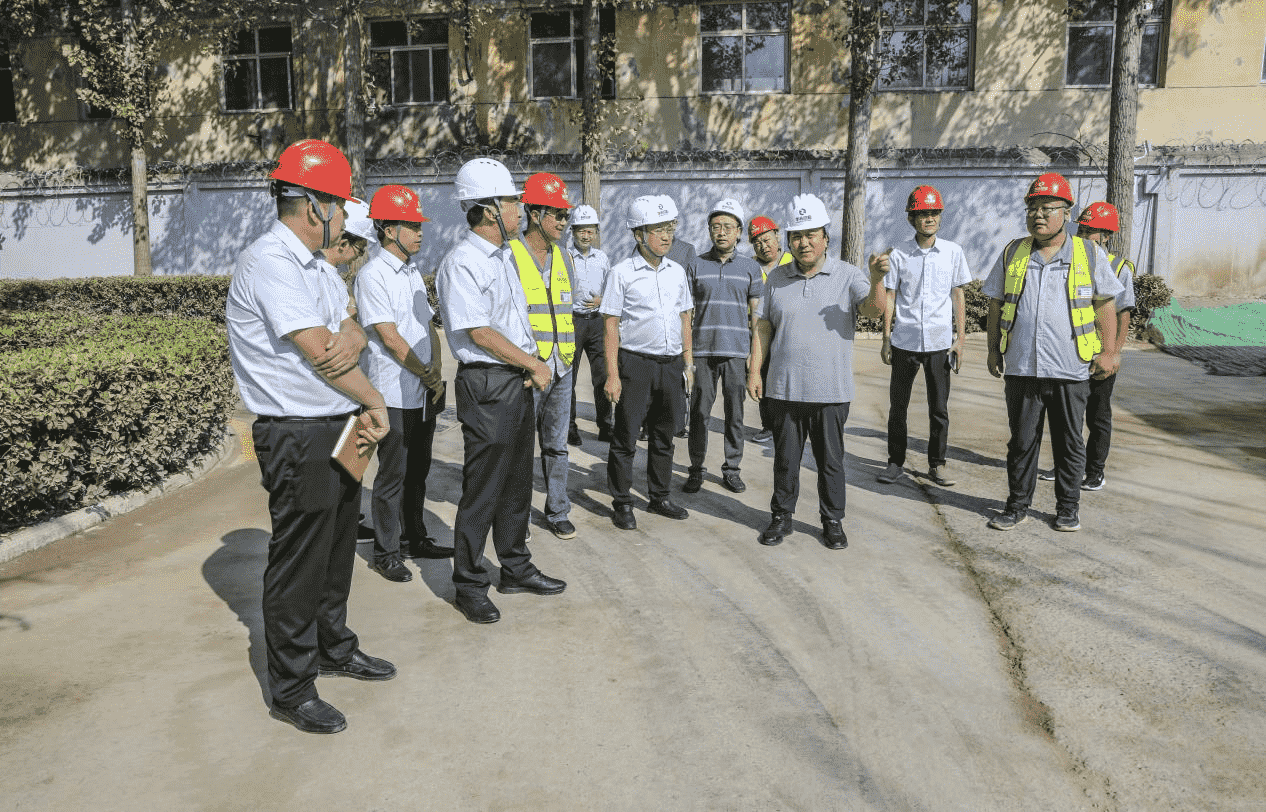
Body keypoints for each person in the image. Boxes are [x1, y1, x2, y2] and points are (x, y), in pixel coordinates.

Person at [226, 139, 394, 735]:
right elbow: (320, 348)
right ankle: (292, 687)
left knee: (338, 546)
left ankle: (333, 646)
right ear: (316, 205)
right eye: (341, 205)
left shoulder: (318, 266)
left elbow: (347, 326)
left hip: (338, 424)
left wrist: (352, 335)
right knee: (300, 561)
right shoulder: (270, 262)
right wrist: (374, 399)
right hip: (297, 432)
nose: (346, 217)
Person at [436, 158, 566, 624]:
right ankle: (469, 584)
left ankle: (515, 567)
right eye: (512, 201)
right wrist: (532, 362)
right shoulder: (463, 262)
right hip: (488, 383)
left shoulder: (504, 255)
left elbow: (511, 322)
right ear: (490, 209)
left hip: (514, 379)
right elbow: (479, 332)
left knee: (515, 483)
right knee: (484, 488)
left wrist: (527, 363)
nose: (519, 209)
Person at [984, 173, 1124, 532]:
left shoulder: (1088, 253)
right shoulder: (1013, 252)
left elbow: (1105, 305)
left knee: (1069, 443)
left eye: (1048, 208)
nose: (1038, 215)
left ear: (1066, 213)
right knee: (1021, 442)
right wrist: (993, 350)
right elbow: (997, 305)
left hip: (1070, 367)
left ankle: (1067, 509)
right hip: (1022, 366)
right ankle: (1016, 505)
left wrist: (1109, 352)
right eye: (1032, 208)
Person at [746, 193, 885, 549]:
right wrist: (755, 370)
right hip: (784, 388)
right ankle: (781, 517)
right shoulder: (776, 279)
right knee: (785, 460)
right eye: (797, 236)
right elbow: (763, 326)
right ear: (789, 240)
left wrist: (876, 279)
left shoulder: (848, 275)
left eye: (811, 234)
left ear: (825, 236)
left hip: (831, 391)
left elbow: (873, 311)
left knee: (831, 462)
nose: (804, 242)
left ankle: (832, 520)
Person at [354, 184, 451, 584]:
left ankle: (416, 537)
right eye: (412, 225)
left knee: (418, 470)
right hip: (392, 391)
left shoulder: (411, 272)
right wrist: (426, 373)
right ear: (389, 230)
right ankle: (387, 551)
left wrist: (435, 372)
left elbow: (427, 326)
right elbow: (389, 337)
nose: (420, 232)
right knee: (393, 474)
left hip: (422, 390)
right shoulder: (373, 275)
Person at [602, 194, 694, 530]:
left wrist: (688, 364)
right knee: (626, 437)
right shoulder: (621, 273)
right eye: (659, 230)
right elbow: (610, 325)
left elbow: (685, 318)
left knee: (664, 436)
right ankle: (622, 501)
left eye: (670, 228)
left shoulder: (677, 272)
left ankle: (659, 496)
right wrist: (612, 374)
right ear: (638, 234)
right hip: (635, 364)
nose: (667, 236)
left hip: (671, 366)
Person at [871, 184, 972, 488]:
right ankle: (895, 462)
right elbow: (890, 296)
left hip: (940, 344)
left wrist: (960, 339)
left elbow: (958, 295)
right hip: (905, 341)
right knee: (898, 407)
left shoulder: (953, 252)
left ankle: (937, 464)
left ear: (940, 216)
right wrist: (886, 339)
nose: (929, 218)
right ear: (911, 218)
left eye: (934, 212)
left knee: (939, 409)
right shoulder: (899, 254)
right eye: (922, 213)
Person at [508, 172, 580, 540]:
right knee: (520, 448)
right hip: (527, 368)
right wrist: (524, 362)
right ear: (535, 215)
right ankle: (516, 517)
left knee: (557, 446)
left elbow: (569, 308)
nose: (565, 222)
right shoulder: (510, 255)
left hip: (563, 366)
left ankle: (558, 510)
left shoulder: (565, 256)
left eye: (567, 215)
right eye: (558, 215)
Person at [684, 198, 763, 495]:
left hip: (736, 352)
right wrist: (687, 357)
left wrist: (754, 359)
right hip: (702, 352)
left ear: (739, 232)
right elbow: (686, 313)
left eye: (728, 227)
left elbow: (757, 318)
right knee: (699, 414)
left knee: (735, 415)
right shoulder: (695, 265)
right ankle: (696, 469)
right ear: (709, 230)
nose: (721, 232)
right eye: (716, 226)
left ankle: (732, 469)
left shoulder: (750, 268)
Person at [1073, 202, 1136, 491]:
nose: (1084, 236)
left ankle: (1095, 470)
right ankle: (1068, 466)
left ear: (1107, 236)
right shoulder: (1072, 261)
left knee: (1097, 415)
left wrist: (1114, 353)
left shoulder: (1119, 268)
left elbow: (1124, 314)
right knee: (1068, 415)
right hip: (1073, 352)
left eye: (1091, 232)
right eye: (1082, 230)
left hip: (1100, 354)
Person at [566, 204, 614, 445]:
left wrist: (601, 300)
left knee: (602, 376)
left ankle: (606, 425)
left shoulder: (602, 258)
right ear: (573, 231)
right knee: (569, 377)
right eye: (581, 231)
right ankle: (570, 427)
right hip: (572, 322)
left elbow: (612, 291)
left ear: (596, 232)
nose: (586, 236)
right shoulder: (564, 257)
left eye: (590, 231)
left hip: (596, 323)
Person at [747, 215, 793, 444]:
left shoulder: (793, 261)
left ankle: (791, 424)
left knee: (789, 378)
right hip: (760, 331)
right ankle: (768, 426)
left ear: (777, 236)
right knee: (763, 376)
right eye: (757, 243)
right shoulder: (750, 267)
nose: (763, 246)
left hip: (789, 331)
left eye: (766, 240)